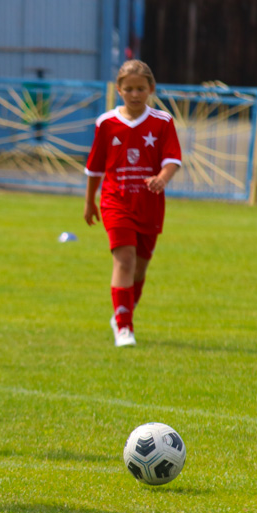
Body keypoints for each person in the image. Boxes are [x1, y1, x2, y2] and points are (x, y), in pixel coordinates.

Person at [83, 59, 181, 347]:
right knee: (124, 260)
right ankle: (124, 327)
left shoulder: (163, 122)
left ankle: (122, 311)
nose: (135, 94)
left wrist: (162, 178)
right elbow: (95, 168)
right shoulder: (107, 123)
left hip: (149, 204)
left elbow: (173, 159)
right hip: (115, 201)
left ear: (151, 88)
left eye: (141, 88)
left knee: (140, 268)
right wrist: (90, 202)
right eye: (129, 89)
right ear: (119, 89)